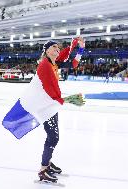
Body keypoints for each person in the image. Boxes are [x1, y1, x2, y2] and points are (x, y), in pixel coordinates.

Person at [37, 37, 85, 183]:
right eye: (54, 48)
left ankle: (47, 164)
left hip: (51, 105)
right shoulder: (45, 65)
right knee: (53, 137)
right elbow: (47, 88)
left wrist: (80, 48)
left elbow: (73, 63)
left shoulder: (53, 63)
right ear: (46, 50)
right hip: (45, 106)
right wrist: (62, 100)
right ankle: (43, 170)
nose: (57, 50)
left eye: (58, 49)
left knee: (53, 136)